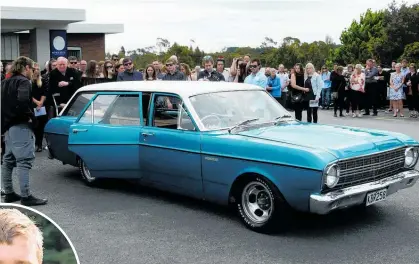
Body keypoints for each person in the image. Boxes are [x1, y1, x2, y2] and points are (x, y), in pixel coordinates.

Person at [1, 56, 48, 206]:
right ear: (26, 67)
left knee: (8, 160)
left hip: (8, 126)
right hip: (20, 125)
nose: (33, 71)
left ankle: (9, 193)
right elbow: (22, 101)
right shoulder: (23, 81)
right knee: (24, 161)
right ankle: (26, 196)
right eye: (32, 68)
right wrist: (29, 117)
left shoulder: (4, 82)